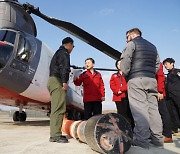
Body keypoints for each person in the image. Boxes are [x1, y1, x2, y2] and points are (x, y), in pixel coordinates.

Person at [120, 28, 163, 149]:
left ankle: (141, 139)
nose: (126, 40)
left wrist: (127, 74)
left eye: (126, 37)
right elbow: (157, 65)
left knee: (140, 110)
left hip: (136, 79)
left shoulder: (131, 44)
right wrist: (149, 73)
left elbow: (125, 62)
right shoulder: (153, 47)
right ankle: (158, 139)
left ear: (131, 35)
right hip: (151, 80)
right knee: (153, 110)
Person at [47, 37, 74, 143]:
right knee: (59, 109)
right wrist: (64, 82)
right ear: (70, 44)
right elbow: (64, 68)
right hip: (58, 81)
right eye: (73, 46)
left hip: (53, 81)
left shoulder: (58, 52)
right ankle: (55, 135)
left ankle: (54, 134)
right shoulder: (64, 53)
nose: (72, 49)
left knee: (55, 108)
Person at [110, 59, 134, 127]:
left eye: (121, 63)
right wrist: (117, 91)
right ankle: (122, 128)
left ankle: (131, 128)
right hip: (118, 97)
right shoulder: (114, 75)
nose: (119, 65)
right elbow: (112, 85)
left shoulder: (127, 75)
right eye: (118, 64)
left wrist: (121, 90)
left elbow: (129, 84)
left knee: (129, 113)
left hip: (127, 96)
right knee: (120, 113)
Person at [156, 63, 173, 143]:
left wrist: (160, 91)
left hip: (158, 93)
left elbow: (160, 77)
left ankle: (168, 135)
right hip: (153, 92)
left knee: (164, 113)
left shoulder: (157, 63)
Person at [163, 58, 180, 133]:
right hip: (170, 96)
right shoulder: (168, 74)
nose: (165, 66)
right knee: (173, 112)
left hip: (178, 95)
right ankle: (175, 128)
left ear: (172, 63)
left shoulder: (177, 71)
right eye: (164, 65)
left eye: (166, 64)